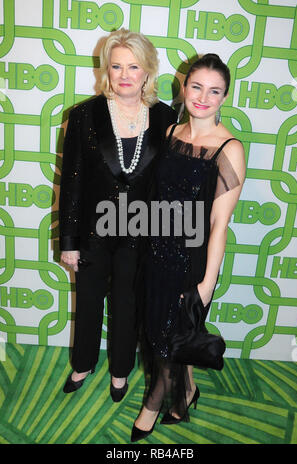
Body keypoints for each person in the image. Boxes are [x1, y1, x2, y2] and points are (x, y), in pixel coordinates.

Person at [131, 53, 246, 441]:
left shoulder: (228, 148)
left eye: (214, 91)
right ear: (184, 87)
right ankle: (188, 390)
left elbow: (219, 223)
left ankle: (155, 402)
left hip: (192, 260)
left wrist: (207, 282)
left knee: (167, 340)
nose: (203, 97)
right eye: (196, 86)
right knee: (161, 332)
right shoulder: (169, 135)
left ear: (224, 97)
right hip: (155, 252)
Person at [59, 28, 177, 400]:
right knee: (89, 300)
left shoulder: (165, 118)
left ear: (148, 72)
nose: (124, 75)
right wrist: (69, 243)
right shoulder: (83, 115)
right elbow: (72, 183)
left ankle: (121, 372)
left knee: (127, 306)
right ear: (106, 70)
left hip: (142, 234)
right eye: (116, 66)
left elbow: (169, 184)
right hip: (93, 234)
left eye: (134, 66)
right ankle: (82, 364)